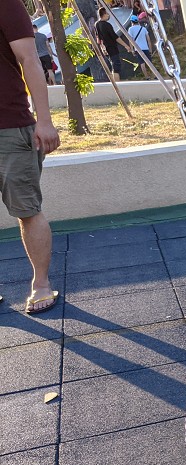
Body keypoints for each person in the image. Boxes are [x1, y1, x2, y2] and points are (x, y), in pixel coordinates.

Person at [1, 0, 62, 314]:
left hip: (9, 126)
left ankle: (41, 283)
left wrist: (44, 120)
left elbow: (29, 58)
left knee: (26, 210)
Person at [95, 8, 122, 82]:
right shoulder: (107, 25)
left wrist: (102, 47)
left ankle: (115, 82)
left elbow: (98, 38)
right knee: (116, 66)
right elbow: (114, 36)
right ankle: (117, 83)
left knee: (112, 65)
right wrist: (126, 45)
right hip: (112, 47)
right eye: (107, 14)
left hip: (106, 48)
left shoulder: (97, 24)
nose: (108, 15)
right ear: (104, 15)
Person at [127, 12, 152, 79]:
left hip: (138, 49)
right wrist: (150, 49)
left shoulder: (130, 29)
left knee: (142, 63)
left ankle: (147, 77)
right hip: (146, 48)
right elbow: (148, 40)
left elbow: (130, 40)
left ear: (132, 21)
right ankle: (155, 76)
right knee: (150, 63)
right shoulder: (143, 28)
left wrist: (132, 50)